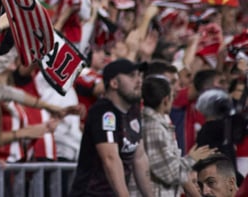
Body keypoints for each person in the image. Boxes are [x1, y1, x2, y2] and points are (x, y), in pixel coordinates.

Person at [70, 59, 156, 196]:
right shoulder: (103, 112)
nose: (139, 80)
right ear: (114, 83)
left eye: (140, 75)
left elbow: (139, 157)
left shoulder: (133, 110)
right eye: (132, 76)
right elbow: (110, 158)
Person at [139, 75, 216, 197]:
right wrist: (192, 158)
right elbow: (169, 174)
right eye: (172, 97)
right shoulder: (153, 127)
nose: (173, 101)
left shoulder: (156, 123)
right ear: (165, 100)